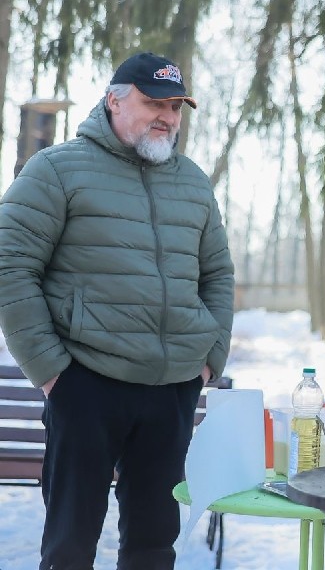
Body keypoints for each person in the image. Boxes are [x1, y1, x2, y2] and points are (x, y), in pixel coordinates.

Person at [0, 51, 235, 570]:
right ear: (113, 100)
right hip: (86, 384)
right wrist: (52, 371)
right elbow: (11, 266)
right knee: (69, 546)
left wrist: (208, 358)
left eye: (176, 107)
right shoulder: (55, 170)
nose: (167, 117)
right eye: (154, 102)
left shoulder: (193, 182)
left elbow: (217, 274)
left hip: (172, 388)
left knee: (154, 545)